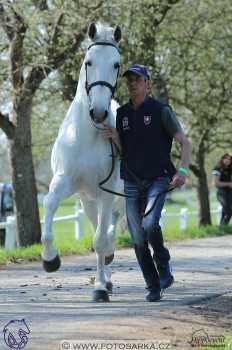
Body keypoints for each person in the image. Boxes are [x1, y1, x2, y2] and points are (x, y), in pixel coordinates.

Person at [103, 64, 191, 302]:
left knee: (150, 224)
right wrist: (115, 138)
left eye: (137, 79)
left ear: (147, 83)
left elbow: (185, 143)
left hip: (159, 178)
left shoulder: (162, 110)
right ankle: (153, 286)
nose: (132, 83)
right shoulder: (121, 114)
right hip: (131, 180)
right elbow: (126, 151)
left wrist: (182, 170)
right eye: (129, 80)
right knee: (138, 239)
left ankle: (163, 266)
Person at [212, 153, 232, 225]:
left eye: (230, 159)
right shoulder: (217, 169)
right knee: (229, 211)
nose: (228, 160)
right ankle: (223, 227)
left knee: (225, 212)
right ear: (222, 159)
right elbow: (215, 183)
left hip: (230, 193)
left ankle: (222, 227)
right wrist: (228, 184)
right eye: (226, 158)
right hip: (222, 193)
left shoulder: (229, 169)